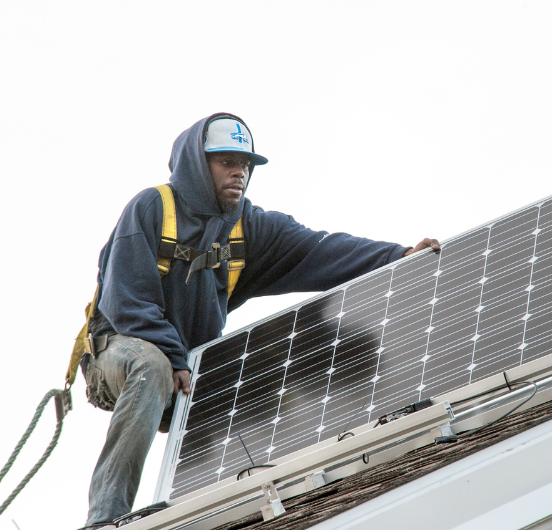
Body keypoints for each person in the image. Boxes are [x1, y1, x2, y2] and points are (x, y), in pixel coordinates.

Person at [79, 112, 440, 528]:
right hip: (120, 354)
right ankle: (105, 520)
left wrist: (396, 257)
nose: (240, 172)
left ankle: (216, 510)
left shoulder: (246, 227)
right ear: (198, 163)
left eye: (246, 164)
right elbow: (129, 303)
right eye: (227, 161)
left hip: (186, 369)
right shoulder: (152, 208)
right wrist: (177, 358)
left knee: (256, 367)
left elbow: (317, 249)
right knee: (152, 365)